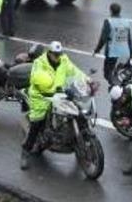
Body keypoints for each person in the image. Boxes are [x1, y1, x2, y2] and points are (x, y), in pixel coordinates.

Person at [21, 41, 86, 170]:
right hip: (41, 94)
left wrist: (88, 81)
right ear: (49, 53)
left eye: (59, 54)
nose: (57, 57)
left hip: (59, 93)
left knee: (79, 113)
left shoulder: (63, 60)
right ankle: (25, 152)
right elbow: (36, 77)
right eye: (55, 54)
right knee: (37, 122)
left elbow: (74, 71)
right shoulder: (39, 63)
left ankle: (79, 143)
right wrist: (50, 88)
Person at [93, 2, 132, 86]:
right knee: (119, 74)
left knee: (108, 74)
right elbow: (129, 39)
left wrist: (97, 50)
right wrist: (131, 53)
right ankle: (121, 88)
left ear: (110, 11)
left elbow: (103, 38)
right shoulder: (126, 22)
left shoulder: (109, 22)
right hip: (125, 53)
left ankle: (116, 89)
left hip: (112, 53)